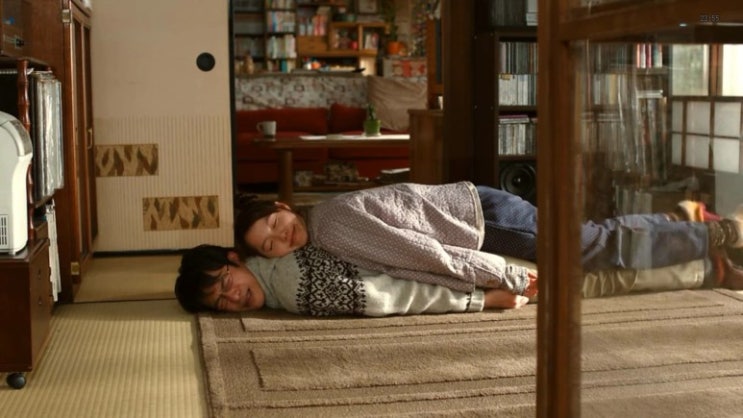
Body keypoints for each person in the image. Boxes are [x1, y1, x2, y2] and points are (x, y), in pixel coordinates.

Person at [234, 181, 743, 291]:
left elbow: (422, 253)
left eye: (276, 224)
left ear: (283, 207)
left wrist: (502, 277)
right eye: (270, 245)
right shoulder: (324, 224)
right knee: (591, 242)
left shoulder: (329, 225)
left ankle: (718, 234)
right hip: (480, 212)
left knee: (591, 248)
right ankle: (684, 222)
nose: (283, 238)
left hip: (484, 224)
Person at [174, 244, 538, 315]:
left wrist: (478, 301)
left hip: (479, 245)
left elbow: (388, 295)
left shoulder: (290, 286)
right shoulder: (280, 252)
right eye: (220, 302)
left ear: (234, 259)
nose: (233, 297)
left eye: (226, 285)